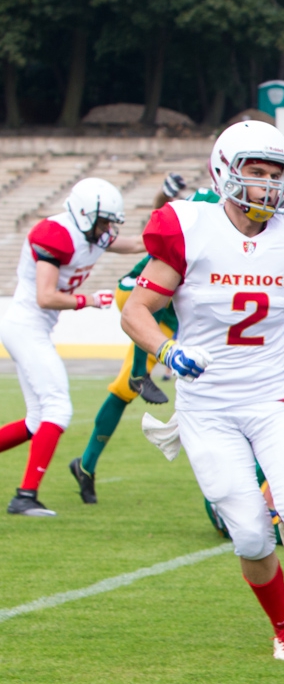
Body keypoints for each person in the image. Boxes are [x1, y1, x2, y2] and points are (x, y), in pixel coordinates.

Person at [121, 120, 284, 660]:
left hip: (270, 398)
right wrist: (169, 352)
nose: (266, 184)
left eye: (275, 173)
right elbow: (135, 312)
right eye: (254, 172)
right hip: (207, 407)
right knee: (252, 539)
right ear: (225, 173)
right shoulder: (190, 228)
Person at [1, 178, 146, 517]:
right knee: (58, 409)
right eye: (103, 221)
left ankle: (26, 494)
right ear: (83, 214)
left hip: (34, 328)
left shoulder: (92, 233)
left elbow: (136, 243)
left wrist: (171, 234)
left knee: (38, 420)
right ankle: (25, 496)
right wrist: (89, 300)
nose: (107, 229)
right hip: (25, 325)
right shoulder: (55, 234)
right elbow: (46, 296)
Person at [67, 173, 198, 505]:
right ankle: (141, 373)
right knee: (148, 307)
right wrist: (163, 194)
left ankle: (85, 465)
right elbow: (163, 217)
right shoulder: (211, 206)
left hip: (170, 317)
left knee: (123, 390)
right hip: (138, 290)